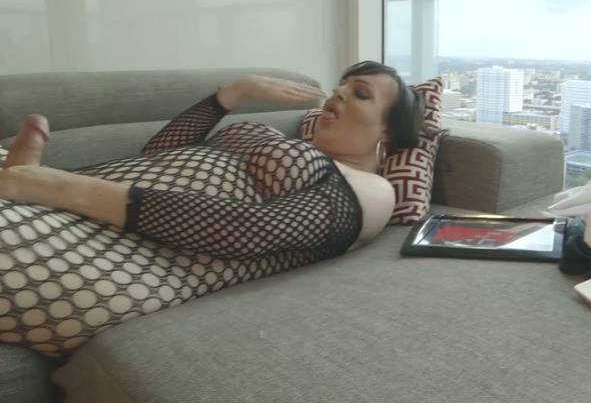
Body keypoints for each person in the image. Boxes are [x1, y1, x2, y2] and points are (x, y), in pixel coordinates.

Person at [0, 61, 423, 260]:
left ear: (388, 131)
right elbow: (157, 156)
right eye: (341, 85)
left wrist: (54, 186)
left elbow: (250, 231)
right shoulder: (292, 145)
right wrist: (234, 93)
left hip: (89, 230)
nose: (339, 92)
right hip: (62, 197)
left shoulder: (374, 188)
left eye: (360, 93)